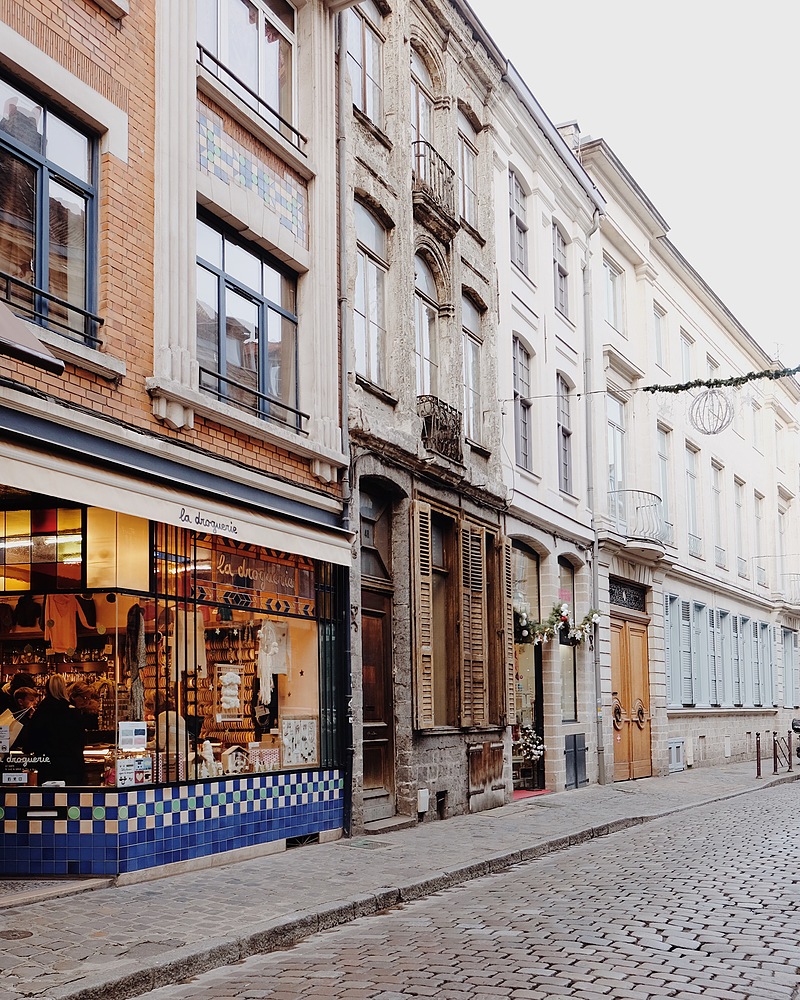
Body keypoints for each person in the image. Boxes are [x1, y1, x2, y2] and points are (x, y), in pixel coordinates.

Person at [21, 675, 85, 785]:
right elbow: (82, 740)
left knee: (47, 798)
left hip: (47, 765)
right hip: (70, 765)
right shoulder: (72, 712)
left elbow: (30, 741)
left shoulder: (40, 712)